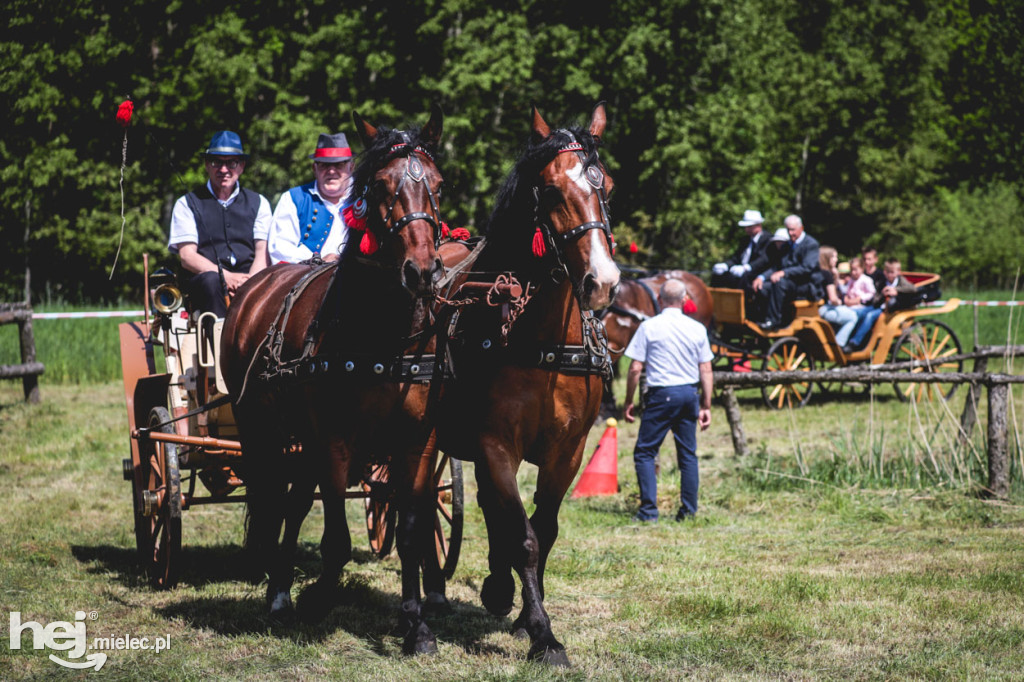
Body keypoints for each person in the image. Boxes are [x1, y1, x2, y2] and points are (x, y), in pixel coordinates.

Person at [623, 279, 714, 523]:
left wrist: (628, 400)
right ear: (685, 300)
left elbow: (634, 368)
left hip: (661, 395)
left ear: (660, 300)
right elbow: (705, 368)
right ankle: (688, 511)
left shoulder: (649, 327)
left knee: (644, 452)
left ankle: (649, 512)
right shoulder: (697, 329)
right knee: (687, 455)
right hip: (688, 394)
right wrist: (706, 404)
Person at [167, 130, 272, 317]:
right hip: (206, 286)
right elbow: (187, 256)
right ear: (207, 165)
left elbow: (262, 252)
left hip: (250, 280)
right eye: (217, 162)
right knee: (211, 281)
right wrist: (227, 278)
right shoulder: (187, 203)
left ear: (241, 166)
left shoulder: (260, 203)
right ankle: (219, 340)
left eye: (231, 163)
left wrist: (249, 283)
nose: (224, 170)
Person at [269, 132, 356, 264]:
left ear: (351, 167)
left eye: (339, 164)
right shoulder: (293, 199)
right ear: (314, 168)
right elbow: (279, 249)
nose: (331, 171)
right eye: (324, 165)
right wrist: (317, 260)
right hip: (307, 278)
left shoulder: (364, 199)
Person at [750, 214, 820, 331]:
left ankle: (774, 320)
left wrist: (784, 273)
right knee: (763, 288)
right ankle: (761, 318)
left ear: (801, 228)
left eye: (793, 230)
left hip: (804, 284)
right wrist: (761, 278)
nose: (790, 233)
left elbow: (807, 268)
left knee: (779, 284)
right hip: (787, 283)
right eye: (788, 230)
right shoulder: (786, 246)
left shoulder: (810, 244)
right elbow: (775, 267)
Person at [845, 257, 917, 351]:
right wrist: (882, 294)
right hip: (878, 306)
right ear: (884, 272)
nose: (889, 275)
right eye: (887, 272)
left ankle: (855, 342)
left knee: (870, 316)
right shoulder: (882, 282)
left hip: (891, 310)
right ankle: (852, 339)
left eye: (892, 272)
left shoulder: (901, 281)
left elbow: (913, 289)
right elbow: (875, 298)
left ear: (898, 272)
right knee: (859, 313)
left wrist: (896, 290)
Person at [711, 209, 770, 289]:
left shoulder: (768, 239)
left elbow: (764, 259)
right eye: (746, 227)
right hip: (739, 271)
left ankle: (742, 301)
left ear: (758, 225)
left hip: (755, 273)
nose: (746, 229)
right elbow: (736, 258)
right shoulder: (745, 240)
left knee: (743, 278)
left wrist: (747, 267)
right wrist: (726, 265)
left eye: (749, 227)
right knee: (718, 275)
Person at [818, 246, 858, 347]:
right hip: (823, 309)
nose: (836, 259)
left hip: (815, 309)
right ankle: (839, 344)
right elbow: (833, 298)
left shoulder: (816, 271)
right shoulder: (826, 274)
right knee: (853, 317)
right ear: (827, 258)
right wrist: (840, 302)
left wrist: (835, 276)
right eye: (834, 257)